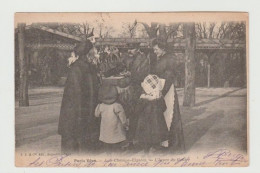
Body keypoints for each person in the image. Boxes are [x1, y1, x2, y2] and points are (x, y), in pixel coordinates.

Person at [58, 40, 99, 154]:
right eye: (93, 50)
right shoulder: (77, 68)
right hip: (77, 110)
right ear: (87, 52)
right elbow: (76, 94)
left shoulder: (87, 67)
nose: (95, 52)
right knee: (74, 136)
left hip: (84, 109)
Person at [152, 39, 185, 153]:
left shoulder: (169, 59)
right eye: (154, 50)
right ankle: (165, 142)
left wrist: (162, 90)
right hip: (161, 88)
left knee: (170, 116)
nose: (155, 51)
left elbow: (169, 76)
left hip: (167, 89)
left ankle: (172, 144)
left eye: (156, 49)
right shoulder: (162, 58)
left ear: (162, 48)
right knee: (163, 115)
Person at [135, 74, 169, 153]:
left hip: (145, 122)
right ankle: (156, 147)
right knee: (157, 135)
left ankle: (146, 149)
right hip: (157, 122)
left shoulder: (143, 98)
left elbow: (137, 110)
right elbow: (164, 108)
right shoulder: (159, 98)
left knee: (145, 136)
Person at [95, 85, 128, 153]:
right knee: (116, 139)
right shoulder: (117, 106)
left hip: (105, 129)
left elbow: (96, 115)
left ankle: (108, 151)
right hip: (115, 128)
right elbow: (122, 118)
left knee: (107, 140)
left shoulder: (101, 106)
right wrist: (125, 124)